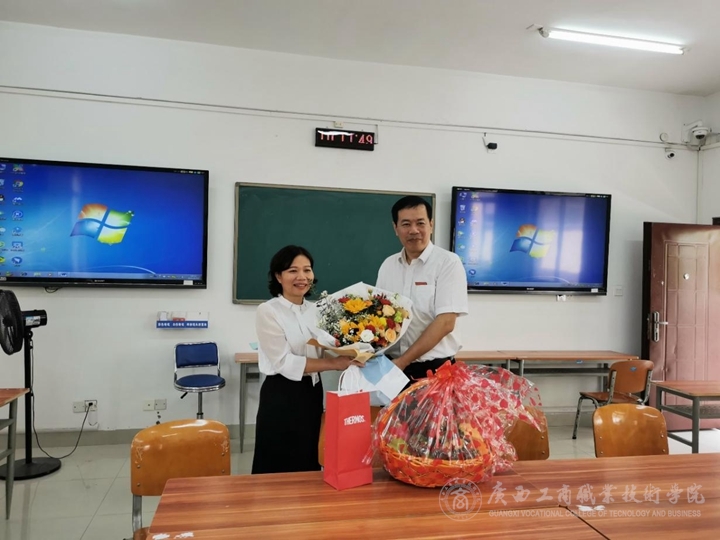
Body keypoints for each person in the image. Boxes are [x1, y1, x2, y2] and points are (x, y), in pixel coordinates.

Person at [252, 245, 360, 474]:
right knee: (277, 462)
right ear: (278, 276)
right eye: (293, 270)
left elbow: (322, 350)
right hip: (281, 394)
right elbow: (284, 362)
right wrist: (335, 364)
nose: (302, 277)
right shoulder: (268, 311)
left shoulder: (317, 310)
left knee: (307, 456)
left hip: (312, 392)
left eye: (307, 270)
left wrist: (354, 354)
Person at [376, 196, 468, 384]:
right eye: (406, 224)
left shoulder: (448, 263)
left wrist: (403, 361)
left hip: (434, 371)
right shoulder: (388, 265)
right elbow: (379, 316)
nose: (414, 230)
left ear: (431, 225)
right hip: (391, 367)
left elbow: (446, 322)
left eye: (420, 223)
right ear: (395, 228)